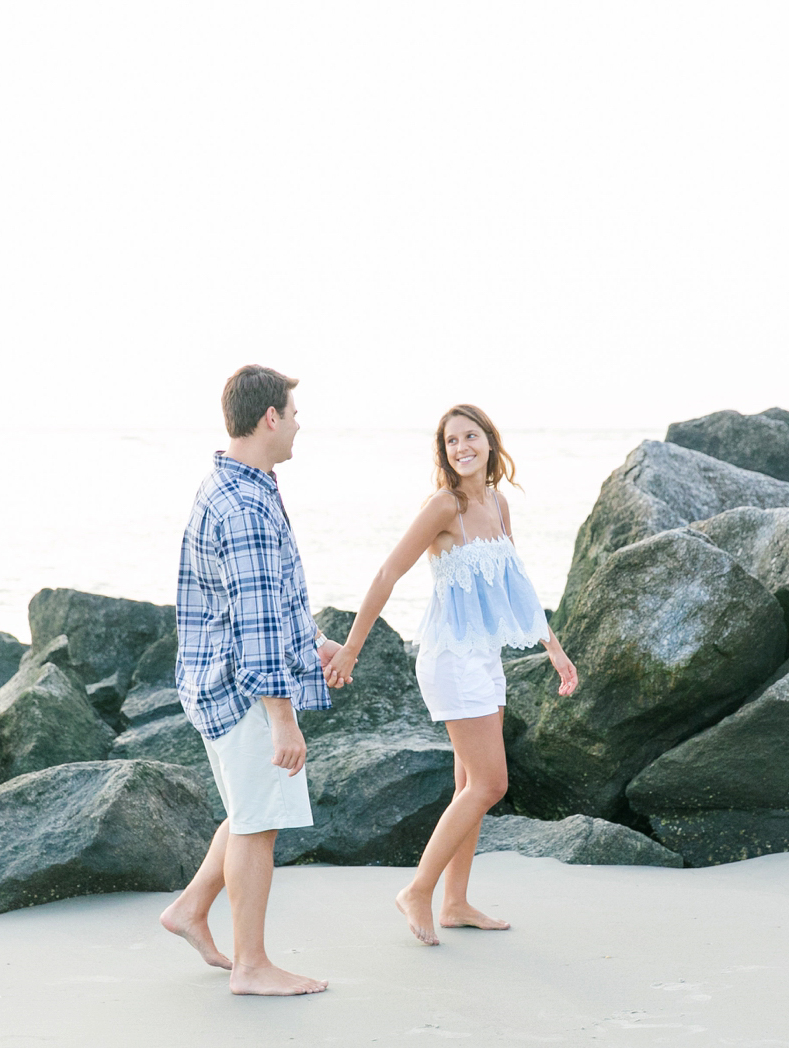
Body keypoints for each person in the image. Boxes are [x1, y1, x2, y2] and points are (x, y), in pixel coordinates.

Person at [325, 404, 578, 945]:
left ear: (490, 441)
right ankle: (418, 889)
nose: (461, 446)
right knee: (491, 783)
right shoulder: (445, 505)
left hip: (484, 656)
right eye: (451, 440)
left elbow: (518, 583)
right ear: (443, 452)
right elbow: (389, 570)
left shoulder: (499, 504)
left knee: (469, 784)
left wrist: (554, 648)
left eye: (471, 436)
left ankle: (456, 903)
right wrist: (351, 647)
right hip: (449, 658)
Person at [158, 364, 342, 996]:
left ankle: (188, 911)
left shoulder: (243, 483)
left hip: (216, 676)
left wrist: (316, 642)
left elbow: (271, 594)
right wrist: (283, 719)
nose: (298, 426)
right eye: (293, 414)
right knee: (258, 825)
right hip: (239, 688)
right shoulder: (245, 508)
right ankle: (251, 965)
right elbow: (256, 627)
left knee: (247, 810)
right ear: (270, 418)